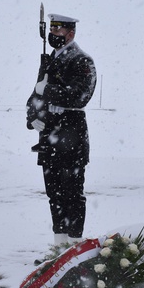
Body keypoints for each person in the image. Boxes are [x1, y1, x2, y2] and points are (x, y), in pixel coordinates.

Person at [26, 14, 97, 246]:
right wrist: (33, 116)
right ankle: (58, 247)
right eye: (52, 30)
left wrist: (49, 90)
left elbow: (80, 97)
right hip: (49, 137)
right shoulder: (49, 60)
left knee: (72, 195)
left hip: (71, 135)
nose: (53, 34)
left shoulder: (82, 60)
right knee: (54, 195)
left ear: (71, 34)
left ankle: (74, 247)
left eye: (58, 31)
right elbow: (35, 95)